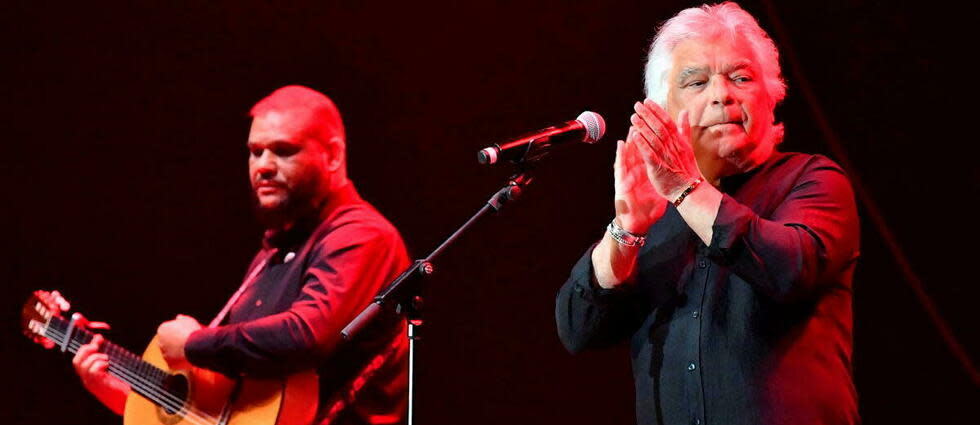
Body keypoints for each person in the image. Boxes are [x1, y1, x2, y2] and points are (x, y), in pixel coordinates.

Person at [555, 3, 860, 424]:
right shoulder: (654, 216)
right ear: (663, 110)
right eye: (697, 82)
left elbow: (790, 268)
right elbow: (578, 327)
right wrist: (626, 228)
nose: (722, 94)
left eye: (741, 77)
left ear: (771, 96)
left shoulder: (811, 180)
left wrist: (685, 188)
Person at [69, 85, 410, 424]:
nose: (263, 166)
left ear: (333, 156)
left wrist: (194, 344)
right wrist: (126, 399)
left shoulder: (362, 236)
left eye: (283, 150)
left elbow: (306, 336)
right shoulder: (274, 251)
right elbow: (240, 408)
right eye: (255, 151)